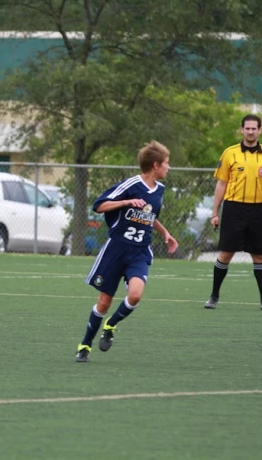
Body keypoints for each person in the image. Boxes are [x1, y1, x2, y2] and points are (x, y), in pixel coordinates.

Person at [75, 141, 178, 362]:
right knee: (104, 302)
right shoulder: (131, 185)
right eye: (167, 163)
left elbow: (150, 216)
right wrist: (126, 202)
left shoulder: (159, 190)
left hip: (139, 252)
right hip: (116, 251)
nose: (169, 167)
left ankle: (110, 325)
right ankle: (85, 345)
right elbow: (99, 205)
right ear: (155, 165)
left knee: (135, 295)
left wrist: (165, 233)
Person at [204, 114, 262, 311]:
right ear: (241, 130)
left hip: (257, 209)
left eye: (253, 128)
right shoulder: (230, 153)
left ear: (259, 130)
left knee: (259, 255)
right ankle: (214, 296)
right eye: (247, 128)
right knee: (226, 253)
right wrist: (215, 212)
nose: (250, 132)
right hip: (233, 209)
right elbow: (221, 184)